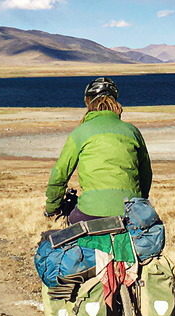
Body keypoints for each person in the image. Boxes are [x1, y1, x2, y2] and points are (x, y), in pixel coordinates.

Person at [45, 77, 151, 224]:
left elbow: (60, 174)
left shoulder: (81, 132)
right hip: (131, 210)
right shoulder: (132, 131)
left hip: (91, 210)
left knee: (71, 225)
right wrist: (140, 202)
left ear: (88, 101)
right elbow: (145, 173)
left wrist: (52, 207)